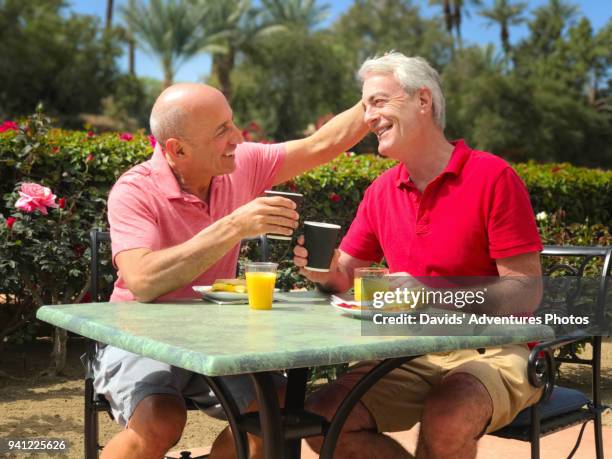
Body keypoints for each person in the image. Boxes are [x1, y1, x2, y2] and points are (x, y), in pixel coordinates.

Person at [94, 82, 368, 459]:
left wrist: (376, 95)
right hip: (137, 335)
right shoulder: (134, 190)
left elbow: (321, 144)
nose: (237, 138)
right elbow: (142, 282)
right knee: (160, 421)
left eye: (232, 123)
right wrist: (234, 226)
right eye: (221, 131)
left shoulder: (242, 165)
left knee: (279, 412)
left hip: (214, 335)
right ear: (178, 149)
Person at [293, 52, 544, 458]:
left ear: (422, 101)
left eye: (377, 102)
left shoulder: (493, 177)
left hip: (496, 349)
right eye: (364, 106)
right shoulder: (381, 191)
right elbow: (344, 273)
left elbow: (525, 292)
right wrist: (320, 269)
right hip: (409, 349)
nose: (367, 117)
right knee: (323, 418)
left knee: (448, 414)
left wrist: (430, 291)